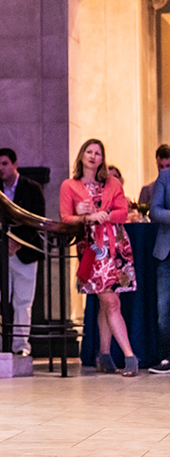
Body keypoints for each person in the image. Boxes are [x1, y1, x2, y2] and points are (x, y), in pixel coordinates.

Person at [60, 139, 138, 376]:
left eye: (98, 153)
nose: (94, 156)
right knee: (111, 302)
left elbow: (123, 212)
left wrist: (103, 214)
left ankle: (104, 355)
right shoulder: (69, 185)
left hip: (116, 245)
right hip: (94, 250)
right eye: (89, 152)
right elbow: (65, 218)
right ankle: (129, 356)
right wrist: (83, 217)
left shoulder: (112, 182)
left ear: (102, 158)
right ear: (82, 156)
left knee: (110, 302)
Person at [0, 148, 45, 356]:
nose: (0, 169)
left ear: (15, 164)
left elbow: (37, 219)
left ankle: (21, 347)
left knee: (23, 302)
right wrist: (3, 243)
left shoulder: (32, 188)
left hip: (25, 252)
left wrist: (18, 242)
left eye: (4, 164)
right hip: (0, 252)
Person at [150, 167, 170, 374]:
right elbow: (154, 211)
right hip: (166, 253)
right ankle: (167, 357)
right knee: (164, 310)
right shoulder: (165, 176)